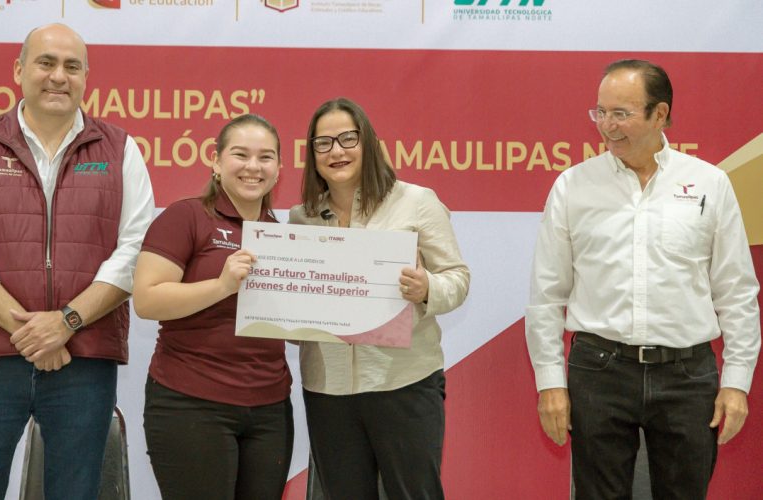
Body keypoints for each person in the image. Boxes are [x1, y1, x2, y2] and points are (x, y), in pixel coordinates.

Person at [0, 23, 155, 499]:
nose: (59, 76)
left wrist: (66, 322)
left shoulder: (121, 150)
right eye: (46, 63)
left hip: (84, 359)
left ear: (86, 77)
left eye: (72, 66)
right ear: (19, 70)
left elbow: (134, 251)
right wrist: (34, 332)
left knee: (76, 492)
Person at [526, 59, 760, 499]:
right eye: (600, 112)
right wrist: (550, 382)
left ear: (660, 114)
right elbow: (546, 295)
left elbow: (737, 291)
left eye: (621, 113)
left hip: (687, 376)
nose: (607, 126)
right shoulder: (573, 186)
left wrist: (736, 381)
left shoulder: (709, 183)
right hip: (599, 371)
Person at [289, 97, 470, 499]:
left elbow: (458, 279)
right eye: (323, 143)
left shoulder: (415, 201)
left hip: (403, 382)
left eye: (347, 138)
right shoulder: (301, 218)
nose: (336, 151)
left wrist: (427, 289)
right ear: (312, 154)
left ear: (368, 142)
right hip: (328, 390)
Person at [133, 114, 292, 500]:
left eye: (265, 157)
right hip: (191, 402)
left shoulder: (285, 236)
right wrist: (221, 286)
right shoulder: (186, 216)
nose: (253, 166)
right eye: (240, 154)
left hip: (270, 408)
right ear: (216, 161)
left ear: (278, 169)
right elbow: (147, 299)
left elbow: (290, 321)